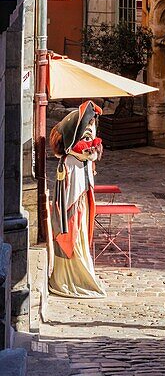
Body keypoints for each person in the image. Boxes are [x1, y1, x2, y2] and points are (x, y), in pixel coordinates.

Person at [48, 100, 105, 299]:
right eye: (87, 127)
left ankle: (82, 272)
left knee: (81, 233)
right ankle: (69, 276)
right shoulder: (70, 162)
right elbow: (67, 193)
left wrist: (90, 155)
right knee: (72, 232)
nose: (90, 132)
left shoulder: (82, 159)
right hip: (74, 205)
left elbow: (91, 156)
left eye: (92, 127)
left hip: (83, 202)